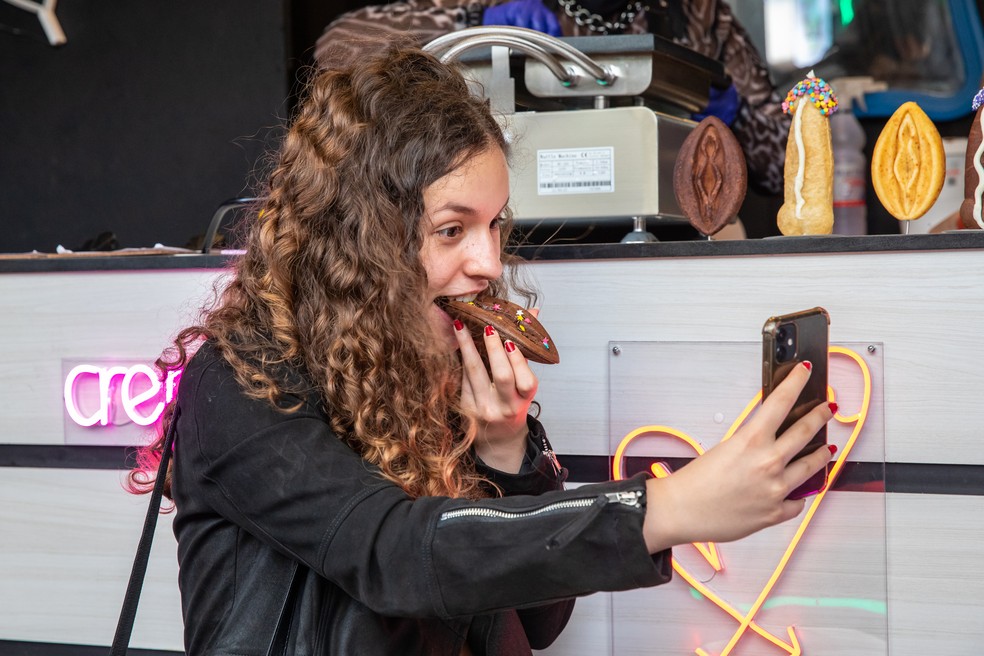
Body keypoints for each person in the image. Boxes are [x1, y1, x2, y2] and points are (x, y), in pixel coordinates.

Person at [129, 44, 834, 655]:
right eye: (451, 230)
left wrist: (505, 450)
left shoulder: (437, 371)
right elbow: (394, 551)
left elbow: (541, 617)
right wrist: (666, 507)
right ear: (361, 239)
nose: (489, 262)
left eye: (494, 226)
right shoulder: (240, 383)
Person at [314, 0, 790, 196]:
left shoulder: (697, 14)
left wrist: (735, 113)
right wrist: (477, 19)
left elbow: (789, 165)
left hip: (670, 223)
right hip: (518, 226)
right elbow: (339, 43)